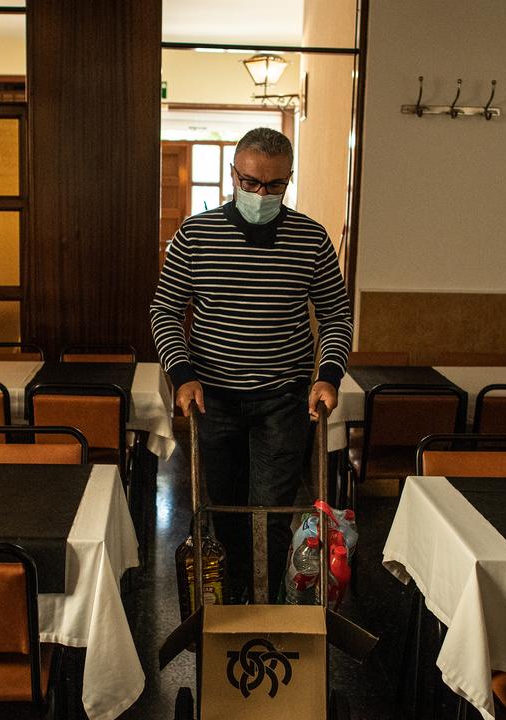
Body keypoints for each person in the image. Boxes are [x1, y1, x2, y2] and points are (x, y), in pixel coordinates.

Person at [149, 127, 353, 601]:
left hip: (282, 400)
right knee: (223, 512)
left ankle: (268, 610)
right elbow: (164, 309)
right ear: (233, 175)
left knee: (273, 513)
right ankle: (233, 609)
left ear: (288, 181)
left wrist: (327, 375)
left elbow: (337, 313)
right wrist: (181, 375)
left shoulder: (310, 239)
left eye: (274, 185)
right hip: (212, 399)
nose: (261, 194)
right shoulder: (195, 235)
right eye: (251, 182)